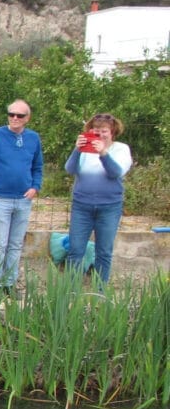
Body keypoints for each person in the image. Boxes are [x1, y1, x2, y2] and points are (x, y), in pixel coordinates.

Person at [0, 101, 43, 295]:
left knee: (15, 243)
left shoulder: (33, 138)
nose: (15, 118)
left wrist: (35, 187)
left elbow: (37, 166)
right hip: (1, 198)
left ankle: (9, 283)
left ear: (27, 118)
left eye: (19, 115)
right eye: (11, 114)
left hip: (24, 199)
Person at [64, 113, 132, 284]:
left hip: (109, 207)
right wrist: (77, 150)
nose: (100, 135)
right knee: (75, 250)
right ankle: (70, 292)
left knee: (104, 251)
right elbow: (70, 169)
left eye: (104, 131)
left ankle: (100, 291)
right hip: (82, 206)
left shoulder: (121, 149)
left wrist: (103, 153)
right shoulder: (85, 149)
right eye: (96, 131)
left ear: (112, 132)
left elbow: (115, 173)